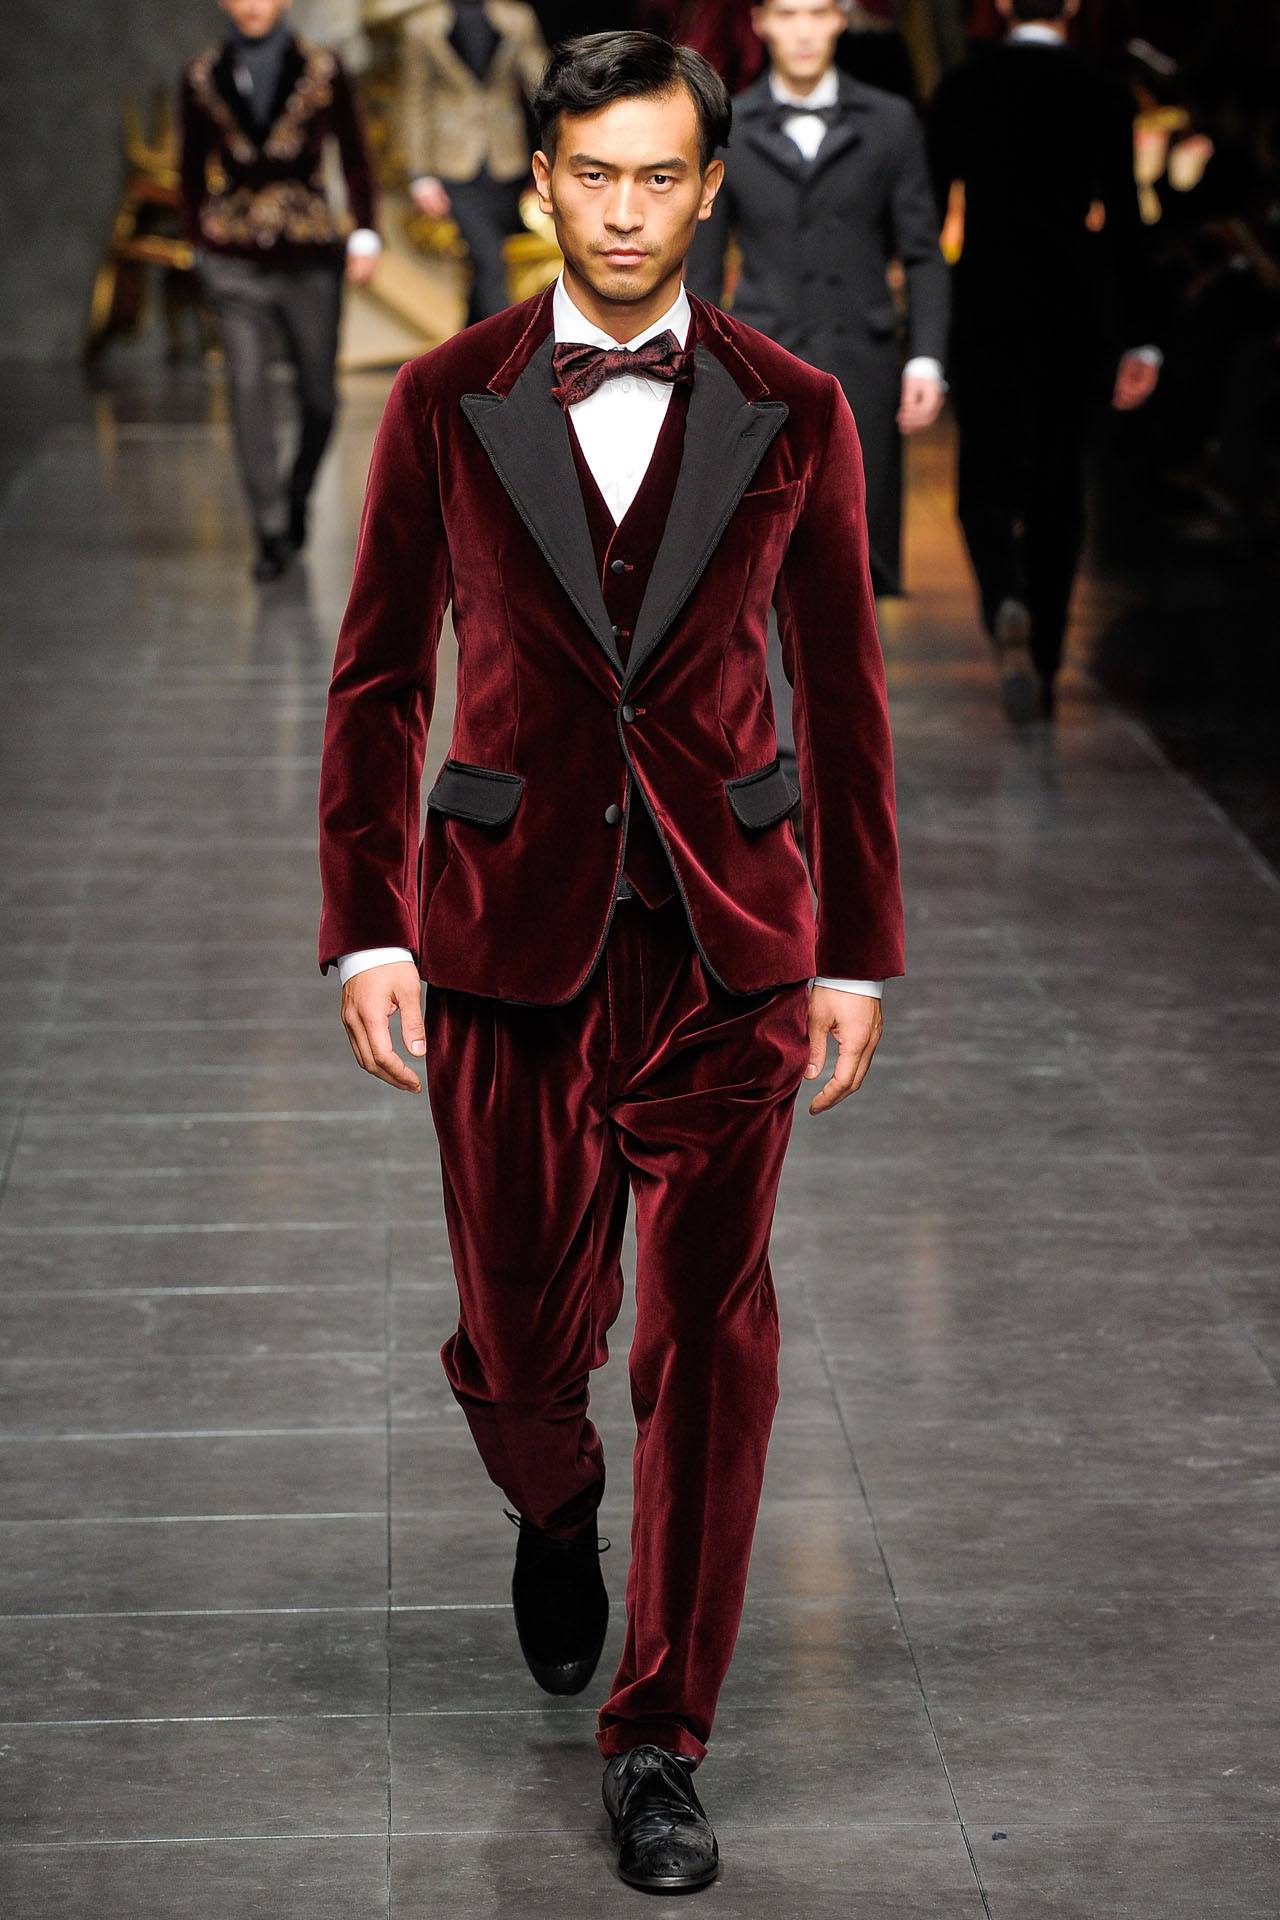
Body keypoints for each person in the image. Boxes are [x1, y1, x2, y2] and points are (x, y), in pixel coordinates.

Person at [317, 28, 903, 1895]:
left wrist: (856, 950)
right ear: (544, 184)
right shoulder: (447, 396)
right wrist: (369, 921)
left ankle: (661, 1739)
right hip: (506, 939)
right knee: (516, 1343)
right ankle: (553, 1499)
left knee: (712, 1339)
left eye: (661, 176)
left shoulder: (798, 407)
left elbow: (845, 689)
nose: (628, 211)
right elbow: (379, 674)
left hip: (730, 944)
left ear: (710, 188)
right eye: (595, 175)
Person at [927, 0, 1162, 721]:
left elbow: (929, 213)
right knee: (1059, 484)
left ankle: (1005, 596)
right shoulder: (1103, 93)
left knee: (983, 479)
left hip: (985, 303)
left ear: (1001, 4)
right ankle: (1049, 656)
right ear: (1072, 5)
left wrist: (925, 326)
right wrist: (1141, 336)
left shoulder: (965, 86)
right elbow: (1125, 219)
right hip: (1072, 311)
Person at [685, 0, 949, 598]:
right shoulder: (727, 128)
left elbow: (922, 252)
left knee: (859, 561)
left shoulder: (891, 122)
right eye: (788, 14)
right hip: (760, 368)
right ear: (760, 22)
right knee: (756, 560)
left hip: (864, 366)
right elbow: (702, 266)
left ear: (840, 18)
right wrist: (698, 370)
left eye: (817, 12)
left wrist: (926, 358)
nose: (803, 30)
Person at [179, 0, 381, 582]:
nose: (252, 4)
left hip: (309, 252)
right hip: (234, 255)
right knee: (246, 387)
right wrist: (199, 242)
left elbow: (354, 152)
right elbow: (190, 167)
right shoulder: (201, 74)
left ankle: (296, 495)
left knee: (320, 398)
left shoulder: (324, 67)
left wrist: (365, 229)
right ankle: (269, 530)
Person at [397, 0, 549, 324]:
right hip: (450, 162)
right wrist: (420, 175)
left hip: (505, 158)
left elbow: (542, 83)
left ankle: (469, 347)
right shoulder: (422, 26)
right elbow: (414, 101)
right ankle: (509, 347)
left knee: (483, 266)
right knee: (489, 260)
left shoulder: (515, 18)